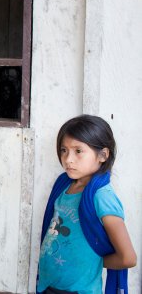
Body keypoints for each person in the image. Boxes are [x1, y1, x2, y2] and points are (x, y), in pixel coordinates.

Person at [37, 115, 136, 294]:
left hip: (78, 290)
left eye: (78, 151)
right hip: (49, 283)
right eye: (64, 150)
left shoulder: (101, 197)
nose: (68, 159)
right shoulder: (64, 184)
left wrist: (92, 260)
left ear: (103, 155)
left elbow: (128, 258)